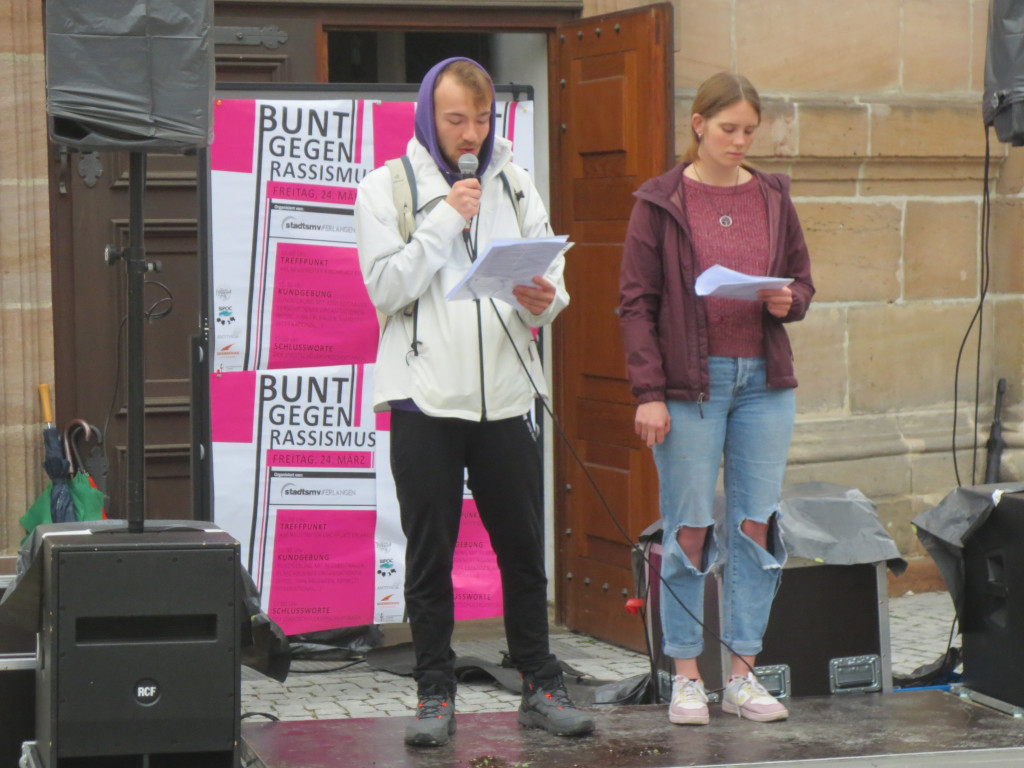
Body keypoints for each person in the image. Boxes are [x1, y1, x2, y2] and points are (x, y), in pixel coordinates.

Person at [355, 57, 594, 747]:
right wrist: (441, 221)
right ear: (429, 112)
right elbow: (386, 289)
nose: (471, 133)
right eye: (457, 118)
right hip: (424, 399)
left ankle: (541, 684)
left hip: (508, 395)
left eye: (483, 119)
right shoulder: (388, 188)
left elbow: (552, 276)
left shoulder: (515, 184)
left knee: (522, 550)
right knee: (429, 556)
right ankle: (435, 692)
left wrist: (550, 297)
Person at [618, 72, 814, 726]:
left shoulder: (773, 196)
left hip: (764, 381)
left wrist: (790, 301)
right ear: (697, 124)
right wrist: (648, 393)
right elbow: (635, 305)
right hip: (688, 386)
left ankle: (743, 675)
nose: (739, 140)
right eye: (727, 128)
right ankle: (684, 674)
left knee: (756, 525)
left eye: (749, 131)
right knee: (692, 528)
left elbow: (802, 283)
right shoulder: (660, 202)